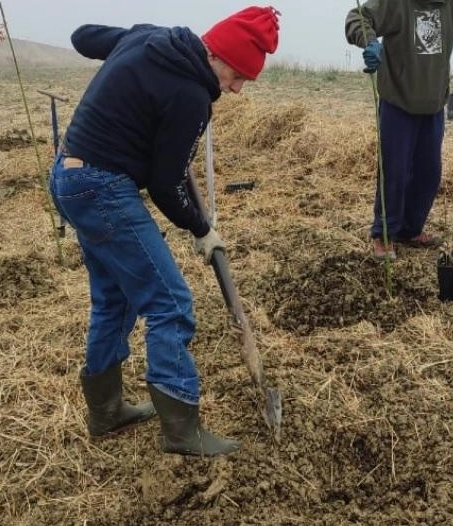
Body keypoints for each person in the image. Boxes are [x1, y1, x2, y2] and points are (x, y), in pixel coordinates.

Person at [49, 6, 280, 456]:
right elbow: (164, 181)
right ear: (216, 55)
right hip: (101, 188)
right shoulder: (192, 97)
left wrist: (127, 53)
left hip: (68, 177)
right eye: (236, 76)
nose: (234, 89)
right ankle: (182, 431)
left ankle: (106, 410)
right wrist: (200, 228)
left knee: (114, 299)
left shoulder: (152, 38)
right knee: (171, 302)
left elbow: (82, 36)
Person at [346, 0, 453, 259]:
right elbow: (357, 17)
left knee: (428, 174)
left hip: (432, 106)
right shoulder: (395, 3)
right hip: (398, 103)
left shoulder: (450, 4)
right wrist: (370, 42)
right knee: (395, 172)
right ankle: (384, 234)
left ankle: (409, 230)